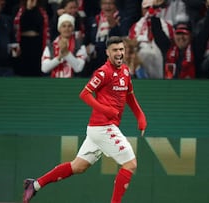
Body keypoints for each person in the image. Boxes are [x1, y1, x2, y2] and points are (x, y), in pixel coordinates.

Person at [23, 36, 147, 203]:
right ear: (107, 52)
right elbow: (84, 94)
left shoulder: (125, 71)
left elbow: (130, 95)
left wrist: (140, 116)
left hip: (99, 129)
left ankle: (35, 184)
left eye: (121, 49)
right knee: (131, 164)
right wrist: (106, 110)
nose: (119, 53)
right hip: (103, 126)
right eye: (115, 50)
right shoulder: (103, 72)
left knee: (78, 166)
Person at [41, 13, 87, 77]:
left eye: (69, 26)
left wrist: (66, 53)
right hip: (53, 83)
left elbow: (78, 68)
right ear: (59, 29)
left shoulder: (80, 46)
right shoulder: (50, 46)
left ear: (73, 28)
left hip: (73, 83)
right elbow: (44, 68)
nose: (67, 29)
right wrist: (59, 58)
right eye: (64, 26)